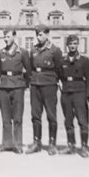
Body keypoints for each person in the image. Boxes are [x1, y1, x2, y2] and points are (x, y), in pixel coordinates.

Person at [26, 24, 63, 155]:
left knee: (51, 115)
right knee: (35, 115)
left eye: (41, 34)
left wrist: (54, 80)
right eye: (37, 34)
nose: (38, 37)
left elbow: (59, 68)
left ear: (47, 34)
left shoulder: (55, 50)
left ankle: (52, 144)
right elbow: (30, 67)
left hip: (49, 84)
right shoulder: (33, 50)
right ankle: (37, 142)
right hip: (35, 84)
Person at [0, 28, 31, 154]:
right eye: (4, 36)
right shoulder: (0, 53)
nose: (6, 39)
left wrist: (23, 84)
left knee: (17, 117)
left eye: (8, 36)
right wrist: (4, 79)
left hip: (18, 86)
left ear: (14, 36)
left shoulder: (22, 53)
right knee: (5, 117)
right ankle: (6, 144)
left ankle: (17, 144)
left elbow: (29, 70)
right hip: (4, 87)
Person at [57, 35, 89, 158]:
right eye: (70, 44)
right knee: (68, 120)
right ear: (67, 45)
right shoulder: (62, 61)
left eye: (75, 43)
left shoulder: (84, 61)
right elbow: (59, 76)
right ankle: (71, 145)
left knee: (82, 120)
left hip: (79, 92)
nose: (72, 46)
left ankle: (84, 146)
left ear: (78, 44)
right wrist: (61, 86)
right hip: (66, 93)